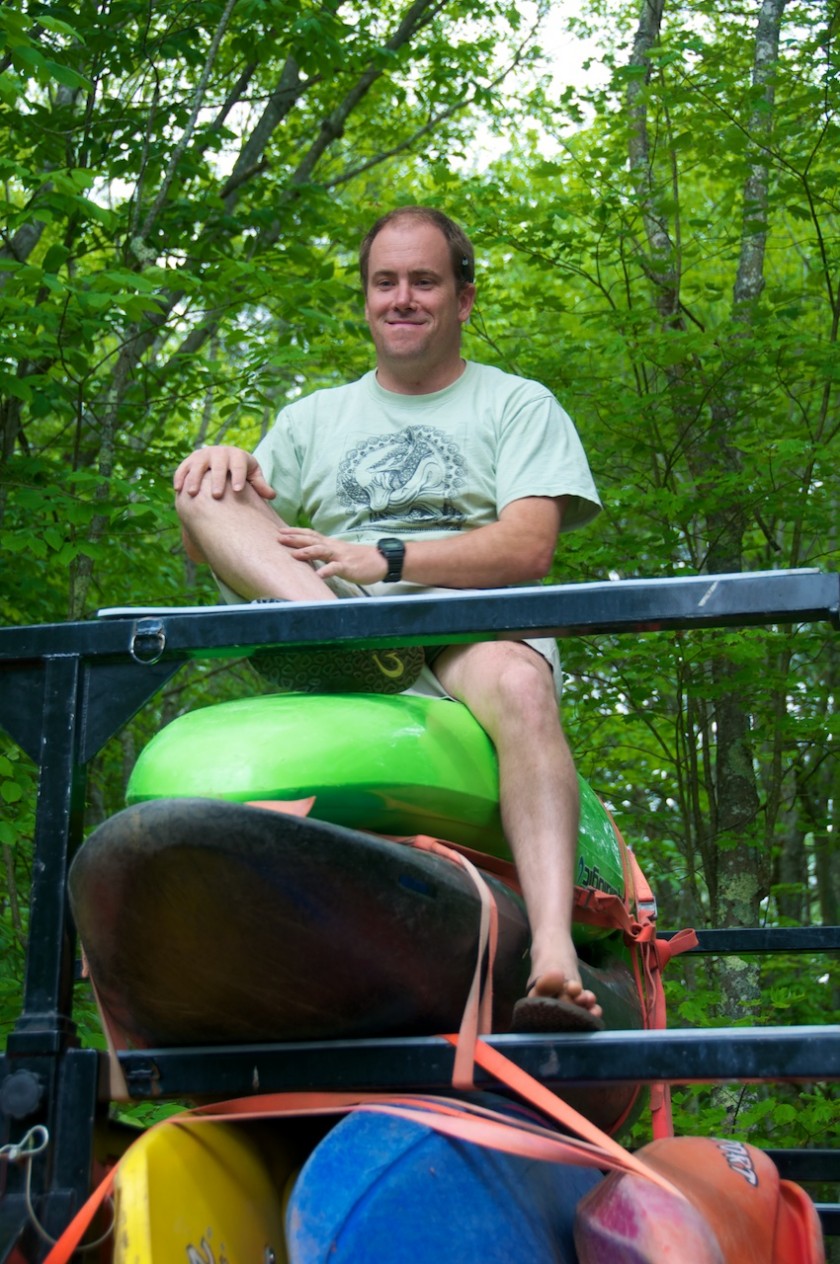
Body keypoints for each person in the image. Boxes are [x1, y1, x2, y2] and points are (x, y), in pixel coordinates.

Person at [174, 207, 604, 1031]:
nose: (402, 298)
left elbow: (529, 547)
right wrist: (214, 470)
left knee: (519, 679)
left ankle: (552, 952)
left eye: (424, 281)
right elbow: (217, 546)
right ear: (367, 300)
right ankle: (341, 637)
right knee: (200, 486)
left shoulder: (517, 404)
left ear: (463, 299)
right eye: (385, 282)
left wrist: (392, 559)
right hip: (336, 614)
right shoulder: (312, 419)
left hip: (463, 628)